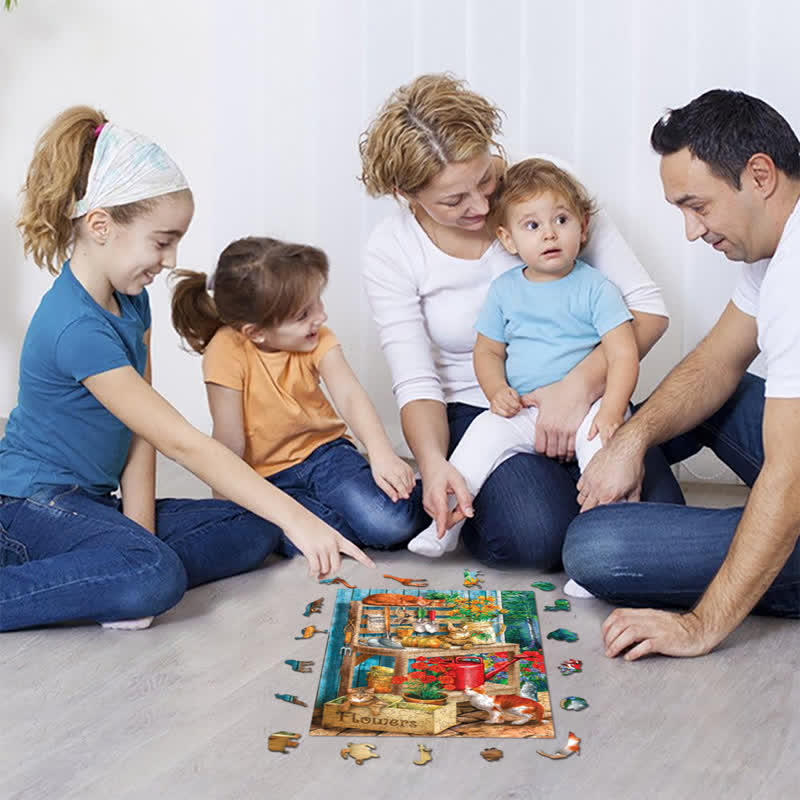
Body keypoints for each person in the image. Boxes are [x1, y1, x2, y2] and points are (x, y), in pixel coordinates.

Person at [0, 107, 373, 633]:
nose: (172, 258)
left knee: (250, 525)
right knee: (152, 576)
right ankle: (105, 575)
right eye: (161, 240)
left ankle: (106, 573)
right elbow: (182, 441)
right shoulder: (74, 327)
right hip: (31, 505)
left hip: (92, 502)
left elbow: (143, 436)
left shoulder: (132, 302)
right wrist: (301, 520)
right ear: (101, 225)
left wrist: (141, 531)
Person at [360, 73, 684, 569]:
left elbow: (647, 309)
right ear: (408, 194)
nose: (483, 206)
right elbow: (417, 381)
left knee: (659, 518)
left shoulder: (547, 194)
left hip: (589, 388)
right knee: (537, 537)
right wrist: (433, 463)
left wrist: (576, 389)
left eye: (486, 178)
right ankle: (494, 503)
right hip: (483, 406)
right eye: (454, 200)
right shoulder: (392, 249)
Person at [564, 89, 800, 659]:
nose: (693, 232)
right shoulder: (775, 248)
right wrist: (631, 442)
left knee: (598, 548)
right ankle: (624, 482)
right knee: (717, 394)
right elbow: (716, 362)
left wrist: (699, 626)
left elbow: (791, 478)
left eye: (699, 206)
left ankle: (741, 547)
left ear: (760, 175)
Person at [407, 158, 639, 558]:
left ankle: (604, 550)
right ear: (508, 239)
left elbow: (623, 355)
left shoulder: (596, 288)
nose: (549, 233)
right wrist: (496, 391)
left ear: (583, 227)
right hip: (525, 407)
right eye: (532, 226)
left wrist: (612, 411)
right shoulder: (505, 290)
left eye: (561, 220)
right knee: (480, 438)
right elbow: (489, 351)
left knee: (604, 462)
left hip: (588, 409)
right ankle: (444, 525)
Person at [170, 237, 429, 555]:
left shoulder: (317, 338)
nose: (320, 317)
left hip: (326, 454)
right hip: (267, 477)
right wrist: (229, 503)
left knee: (390, 525)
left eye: (317, 302)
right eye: (303, 314)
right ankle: (356, 514)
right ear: (256, 332)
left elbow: (349, 395)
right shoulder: (225, 350)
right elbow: (228, 438)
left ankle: (425, 490)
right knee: (298, 542)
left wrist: (381, 453)